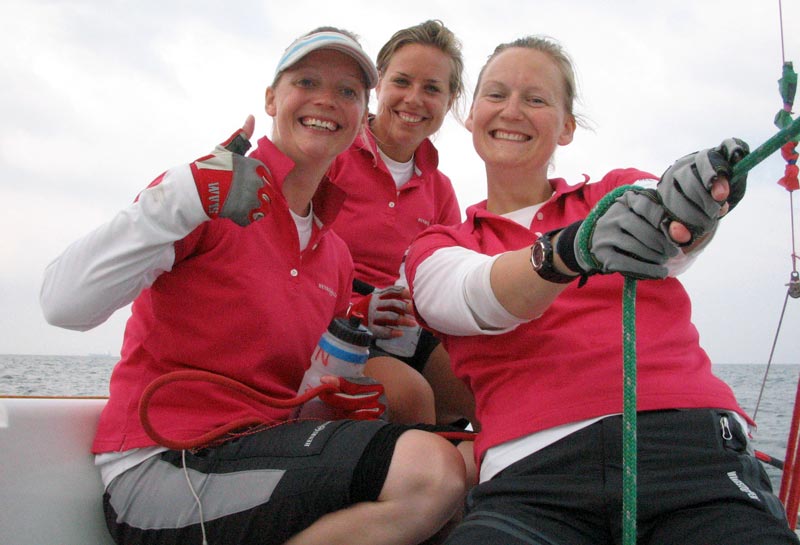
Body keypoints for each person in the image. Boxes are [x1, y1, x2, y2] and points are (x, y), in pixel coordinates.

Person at [40, 27, 466, 545]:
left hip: (261, 454)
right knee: (430, 473)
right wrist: (182, 196)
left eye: (349, 92)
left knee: (464, 478)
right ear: (271, 99)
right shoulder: (200, 195)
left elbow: (305, 389)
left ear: (360, 118)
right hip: (162, 470)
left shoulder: (333, 255)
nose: (327, 100)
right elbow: (62, 304)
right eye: (306, 80)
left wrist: (337, 399)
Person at [403, 35, 800, 545]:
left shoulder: (617, 189)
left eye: (537, 99)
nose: (513, 110)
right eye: (496, 94)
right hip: (533, 480)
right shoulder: (439, 245)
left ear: (567, 127)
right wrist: (572, 251)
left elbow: (671, 225)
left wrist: (698, 198)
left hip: (691, 456)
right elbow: (471, 295)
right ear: (471, 113)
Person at [328, 20, 476, 430]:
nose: (414, 99)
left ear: (450, 101)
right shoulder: (334, 154)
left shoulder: (440, 189)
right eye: (402, 82)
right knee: (410, 396)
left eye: (432, 88)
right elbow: (292, 255)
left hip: (409, 324)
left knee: (488, 385)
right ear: (378, 84)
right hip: (334, 321)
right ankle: (421, 483)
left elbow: (447, 278)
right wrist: (357, 308)